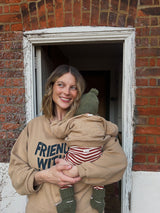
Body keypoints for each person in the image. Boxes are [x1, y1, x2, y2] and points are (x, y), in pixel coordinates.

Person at [8, 64, 127, 213]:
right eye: (61, 85)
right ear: (52, 88)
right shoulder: (34, 127)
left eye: (73, 87)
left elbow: (118, 164)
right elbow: (16, 171)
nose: (66, 92)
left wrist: (79, 170)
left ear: (79, 93)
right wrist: (43, 176)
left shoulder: (93, 125)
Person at [50, 88, 119, 213]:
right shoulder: (100, 121)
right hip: (95, 154)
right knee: (99, 174)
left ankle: (68, 201)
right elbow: (114, 129)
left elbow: (58, 132)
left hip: (76, 153)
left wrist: (54, 123)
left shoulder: (73, 120)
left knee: (64, 171)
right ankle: (98, 200)